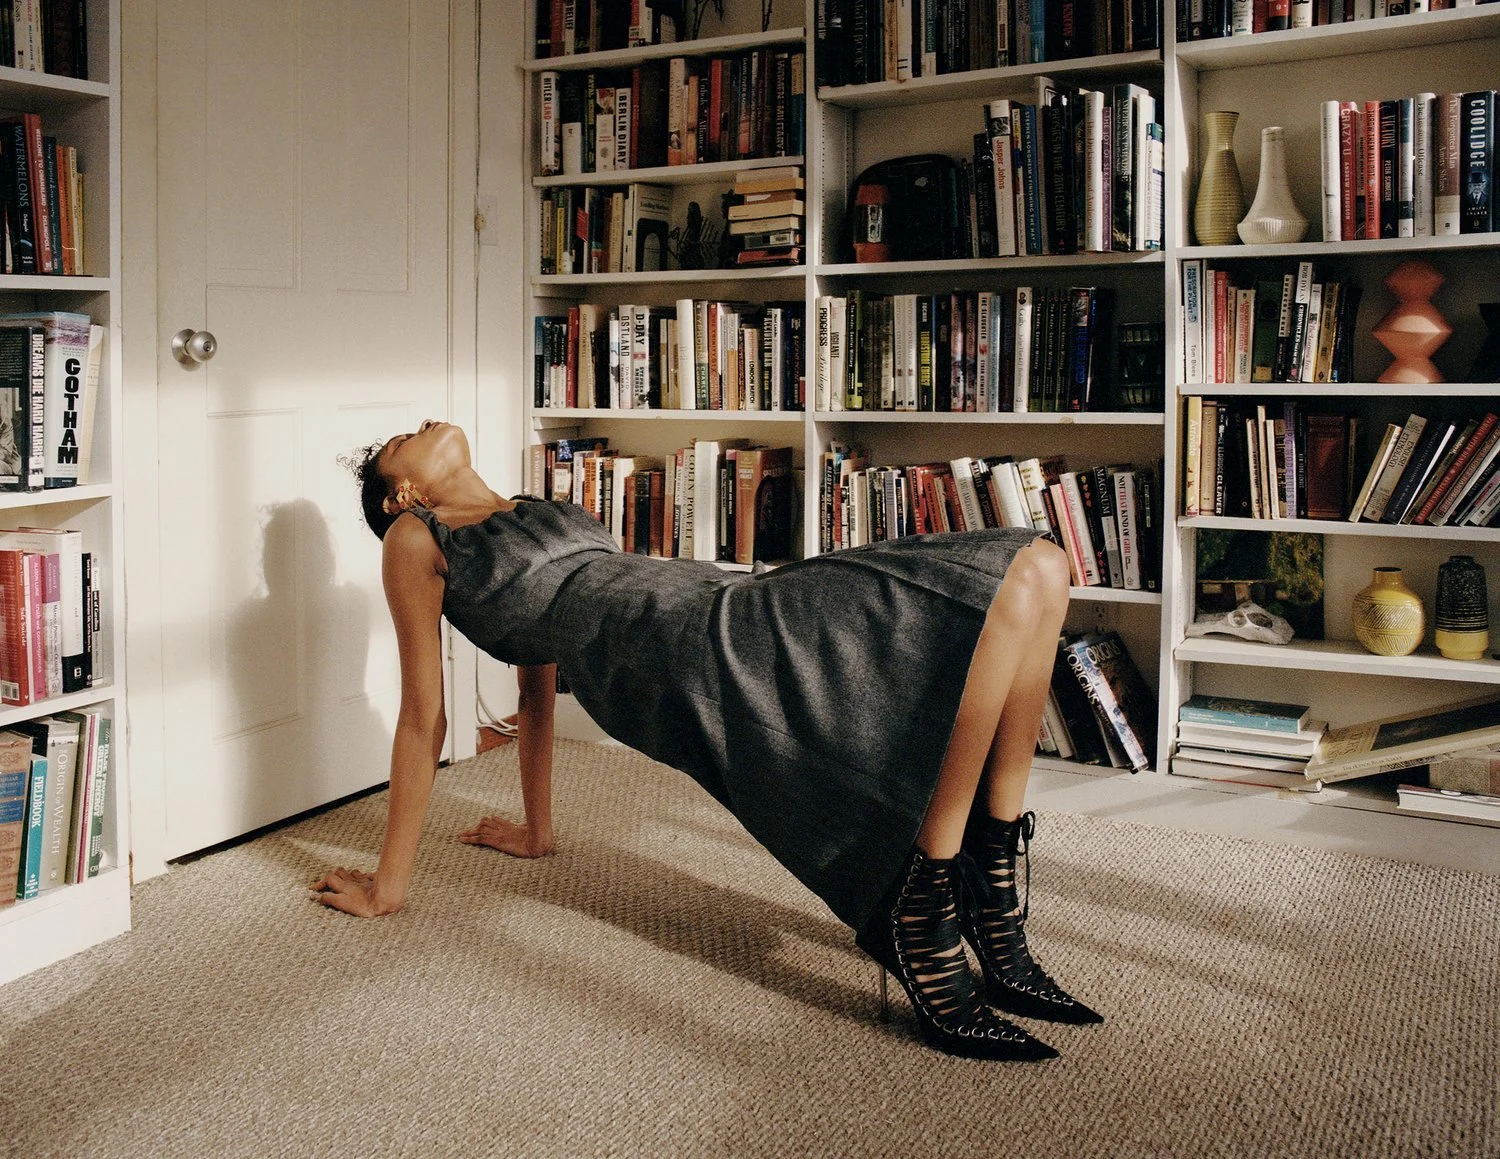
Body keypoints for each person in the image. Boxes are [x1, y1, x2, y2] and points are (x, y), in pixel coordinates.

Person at [312, 420, 1102, 1061]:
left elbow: (533, 682)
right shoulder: (415, 540)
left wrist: (538, 830)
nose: (419, 424)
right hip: (674, 643)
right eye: (397, 440)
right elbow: (425, 717)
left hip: (706, 590)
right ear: (404, 492)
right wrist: (390, 886)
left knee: (1043, 568)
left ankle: (992, 898)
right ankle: (925, 901)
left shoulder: (534, 505)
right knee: (995, 594)